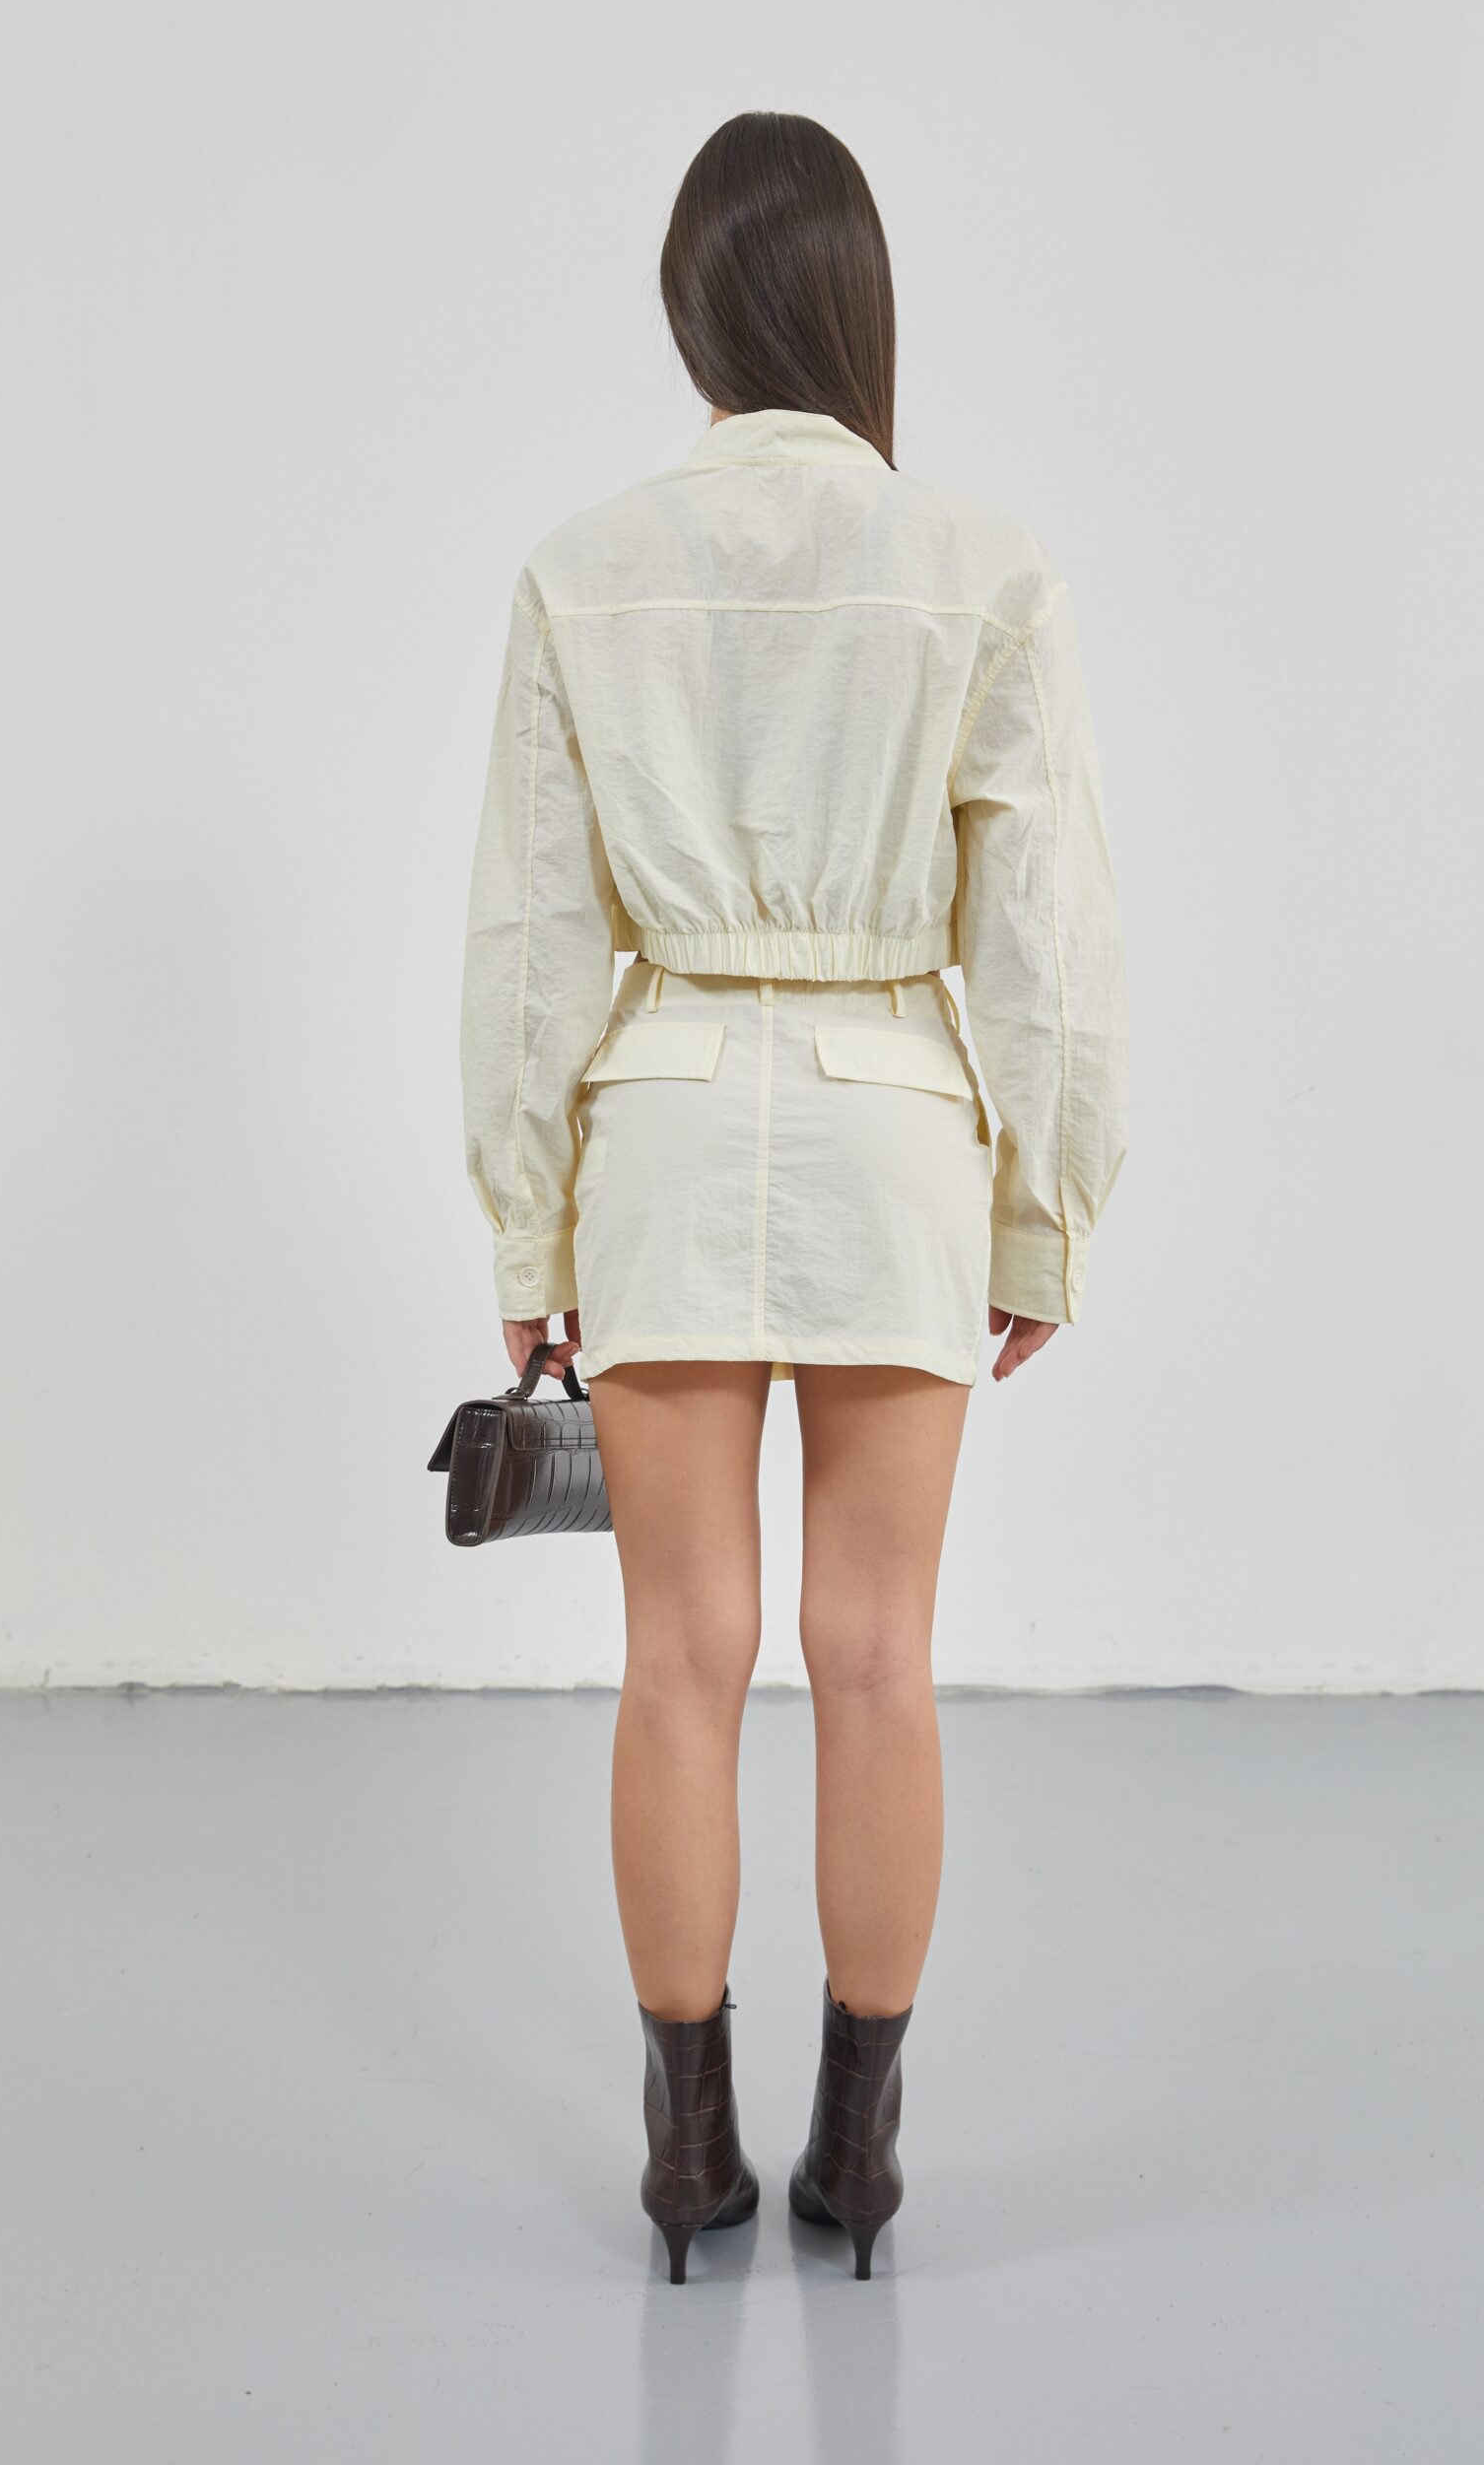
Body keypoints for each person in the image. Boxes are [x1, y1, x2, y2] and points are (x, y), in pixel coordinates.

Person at [457, 110, 1128, 2285]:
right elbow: (1042, 941)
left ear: (690, 310)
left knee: (677, 1659)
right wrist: (1044, 1214)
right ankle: (858, 2152)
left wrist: (527, 1227)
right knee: (874, 1656)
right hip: (893, 1132)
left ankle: (686, 2160)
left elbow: (532, 939)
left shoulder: (582, 567)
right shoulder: (980, 563)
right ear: (856, 304)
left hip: (659, 1123)